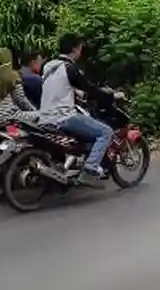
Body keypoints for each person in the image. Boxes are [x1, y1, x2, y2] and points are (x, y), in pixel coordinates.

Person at [38, 34, 114, 185]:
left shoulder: (48, 66)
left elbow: (59, 87)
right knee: (106, 132)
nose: (81, 51)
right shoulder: (70, 68)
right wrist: (110, 96)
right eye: (80, 47)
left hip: (44, 117)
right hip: (64, 117)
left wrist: (75, 92)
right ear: (75, 48)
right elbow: (89, 89)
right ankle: (91, 166)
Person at [0, 47, 38, 127]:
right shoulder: (12, 76)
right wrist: (34, 111)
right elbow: (21, 100)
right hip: (6, 117)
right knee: (40, 116)